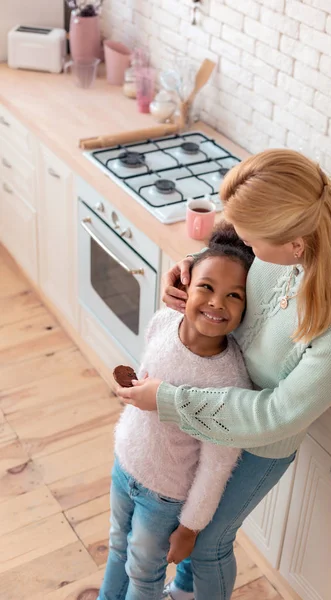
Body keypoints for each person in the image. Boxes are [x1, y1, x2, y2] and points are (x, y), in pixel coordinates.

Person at [116, 149, 331, 600]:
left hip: (258, 440)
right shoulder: (299, 229)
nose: (246, 244)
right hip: (211, 408)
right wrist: (197, 269)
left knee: (208, 543)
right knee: (193, 533)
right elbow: (234, 253)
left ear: (294, 244)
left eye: (252, 238)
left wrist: (168, 400)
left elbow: (280, 414)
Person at [98, 223, 255, 600]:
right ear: (186, 286)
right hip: (125, 465)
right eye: (206, 287)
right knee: (118, 545)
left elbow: (217, 466)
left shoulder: (228, 381)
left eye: (234, 295)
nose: (217, 302)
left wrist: (189, 528)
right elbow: (148, 378)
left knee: (143, 569)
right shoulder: (164, 322)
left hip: (164, 497)